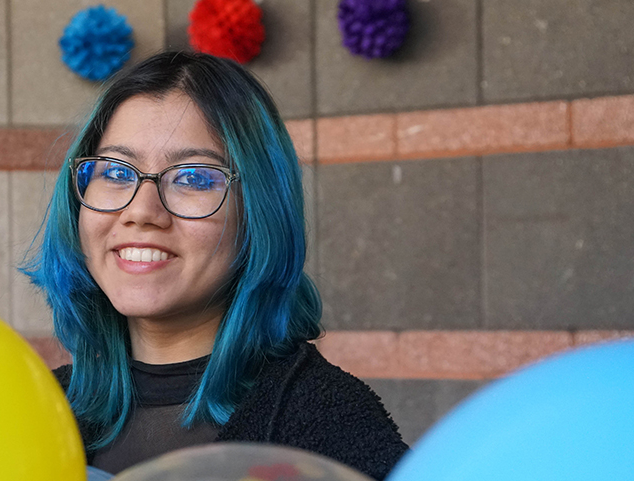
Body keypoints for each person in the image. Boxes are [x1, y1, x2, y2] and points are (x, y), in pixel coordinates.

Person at [21, 51, 408, 478]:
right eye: (115, 171)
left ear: (259, 211)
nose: (142, 211)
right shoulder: (35, 411)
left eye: (194, 178)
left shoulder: (333, 426)